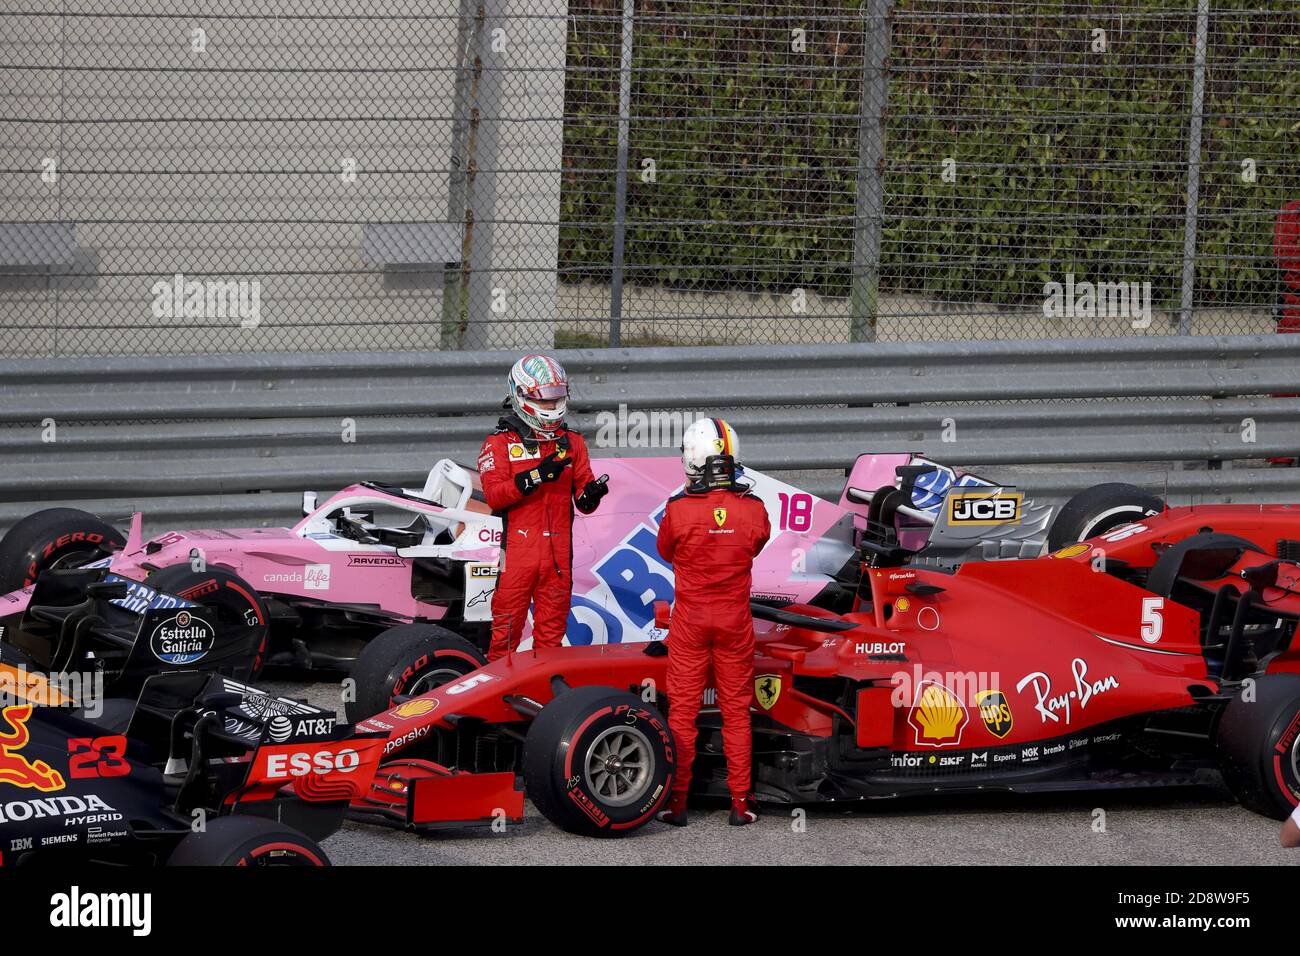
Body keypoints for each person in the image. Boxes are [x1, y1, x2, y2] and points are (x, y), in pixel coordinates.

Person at [654, 418, 769, 827]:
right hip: (735, 620)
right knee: (736, 712)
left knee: (682, 714)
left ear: (693, 458)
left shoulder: (678, 510)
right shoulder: (754, 509)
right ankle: (740, 804)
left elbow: (665, 549)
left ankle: (676, 804)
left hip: (690, 620)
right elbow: (758, 541)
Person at [477, 355, 608, 661]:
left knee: (551, 642)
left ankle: (549, 706)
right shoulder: (498, 443)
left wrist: (592, 493)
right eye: (545, 401)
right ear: (521, 396)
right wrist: (535, 476)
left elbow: (584, 504)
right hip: (518, 557)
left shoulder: (573, 442)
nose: (552, 407)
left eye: (557, 399)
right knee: (504, 637)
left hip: (559, 559)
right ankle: (495, 701)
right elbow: (495, 497)